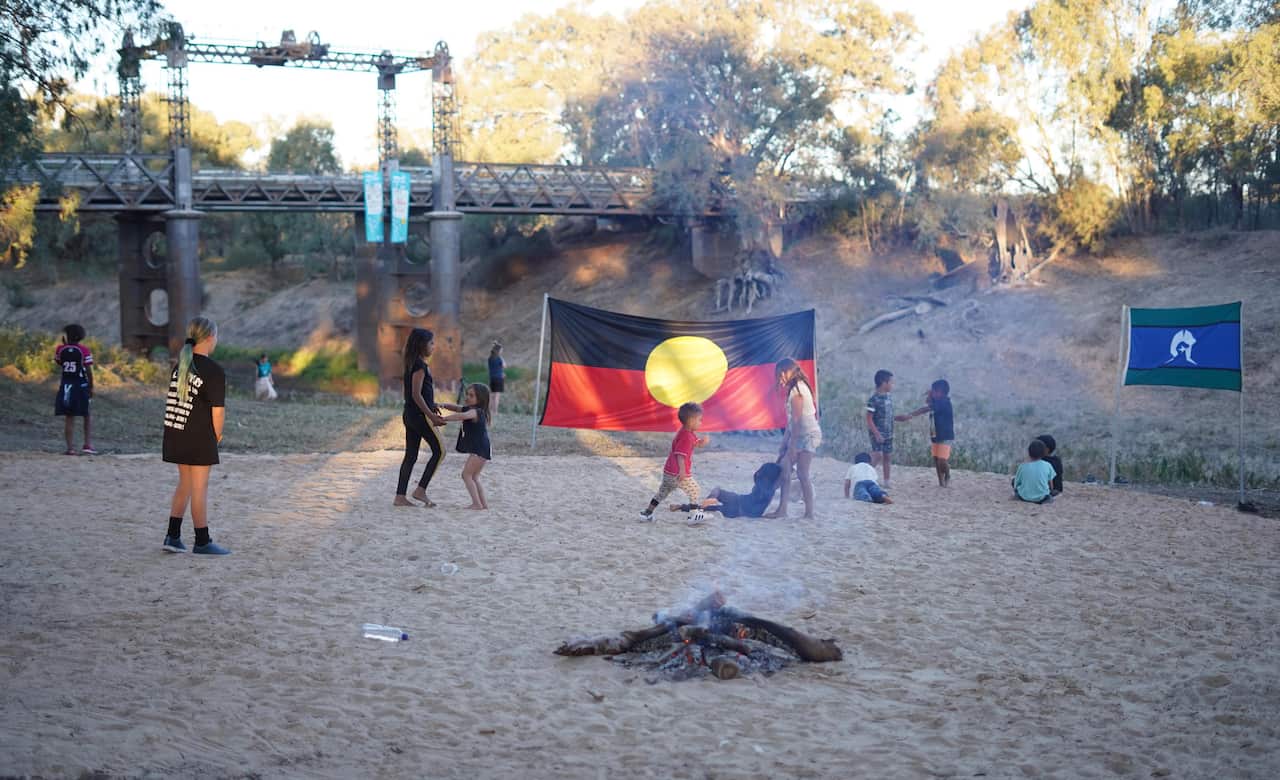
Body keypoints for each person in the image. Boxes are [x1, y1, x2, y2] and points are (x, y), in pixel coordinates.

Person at [161, 317, 231, 555]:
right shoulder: (214, 371)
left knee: (186, 484)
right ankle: (202, 540)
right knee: (199, 488)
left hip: (176, 432)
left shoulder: (181, 365)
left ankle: (172, 536)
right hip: (198, 436)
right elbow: (218, 412)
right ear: (210, 338)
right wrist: (217, 436)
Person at [395, 328, 447, 508]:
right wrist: (431, 415)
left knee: (411, 456)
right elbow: (416, 395)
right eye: (431, 343)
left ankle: (400, 497)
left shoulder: (412, 363)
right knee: (440, 451)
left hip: (410, 414)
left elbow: (418, 394)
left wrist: (432, 405)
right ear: (421, 345)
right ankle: (420, 490)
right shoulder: (419, 366)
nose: (434, 346)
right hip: (419, 416)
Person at [767, 358, 821, 519]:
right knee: (787, 471)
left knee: (802, 474)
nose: (779, 379)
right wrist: (785, 443)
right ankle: (784, 510)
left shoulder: (797, 390)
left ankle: (808, 512)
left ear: (785, 372)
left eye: (779, 375)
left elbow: (797, 421)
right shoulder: (795, 389)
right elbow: (792, 422)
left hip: (807, 435)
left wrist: (792, 446)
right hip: (803, 434)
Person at [640, 401, 708, 522]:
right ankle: (693, 515)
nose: (700, 422)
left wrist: (701, 443)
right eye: (699, 420)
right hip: (677, 473)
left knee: (662, 493)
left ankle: (647, 513)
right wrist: (682, 471)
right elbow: (680, 455)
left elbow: (693, 443)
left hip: (669, 472)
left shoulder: (687, 433)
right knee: (695, 489)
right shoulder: (686, 436)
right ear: (691, 420)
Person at [670, 461, 784, 521]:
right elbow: (785, 474)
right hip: (740, 512)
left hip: (738, 500)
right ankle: (681, 507)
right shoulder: (771, 489)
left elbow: (758, 475)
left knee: (717, 492)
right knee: (713, 508)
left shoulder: (761, 484)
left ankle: (704, 501)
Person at [439, 383, 492, 510]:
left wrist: (444, 419)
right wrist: (442, 405)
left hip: (479, 449)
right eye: (467, 394)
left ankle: (476, 504)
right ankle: (483, 504)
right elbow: (457, 408)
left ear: (480, 399)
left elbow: (461, 415)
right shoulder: (472, 409)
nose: (467, 397)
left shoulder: (475, 412)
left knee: (466, 475)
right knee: (474, 477)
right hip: (483, 448)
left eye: (471, 395)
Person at [898, 379, 954, 487]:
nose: (932, 393)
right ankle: (941, 482)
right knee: (936, 459)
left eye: (934, 391)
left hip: (946, 434)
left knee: (942, 459)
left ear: (940, 392)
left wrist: (910, 415)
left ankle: (947, 473)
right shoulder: (936, 400)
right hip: (934, 432)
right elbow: (928, 402)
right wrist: (930, 395)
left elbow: (926, 408)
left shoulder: (944, 402)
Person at [53, 323, 95, 455]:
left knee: (69, 417)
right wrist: (91, 386)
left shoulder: (60, 349)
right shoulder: (84, 350)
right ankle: (87, 444)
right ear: (81, 337)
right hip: (80, 385)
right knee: (86, 414)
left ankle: (70, 448)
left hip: (66, 385)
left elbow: (59, 362)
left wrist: (65, 345)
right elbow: (88, 369)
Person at [865, 369, 896, 488]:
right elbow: (869, 418)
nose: (893, 385)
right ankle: (865, 475)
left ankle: (887, 481)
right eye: (891, 382)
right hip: (877, 433)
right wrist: (877, 433)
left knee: (887, 456)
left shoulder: (889, 397)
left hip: (888, 433)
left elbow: (889, 414)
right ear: (884, 383)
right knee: (877, 455)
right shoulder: (874, 400)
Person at [1013, 438, 1056, 504]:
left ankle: (1019, 496)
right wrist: (1051, 491)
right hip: (1041, 498)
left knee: (1013, 481)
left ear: (1029, 453)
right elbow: (1050, 484)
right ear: (1044, 453)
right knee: (1049, 497)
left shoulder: (1022, 466)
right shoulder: (1048, 465)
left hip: (1024, 497)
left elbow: (1016, 484)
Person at [487, 342, 504, 418]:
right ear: (498, 351)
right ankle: (495, 411)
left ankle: (489, 410)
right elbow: (504, 365)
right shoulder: (499, 358)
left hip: (492, 378)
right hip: (499, 379)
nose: (502, 351)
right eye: (501, 350)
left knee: (491, 395)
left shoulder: (490, 358)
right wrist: (501, 357)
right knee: (497, 396)